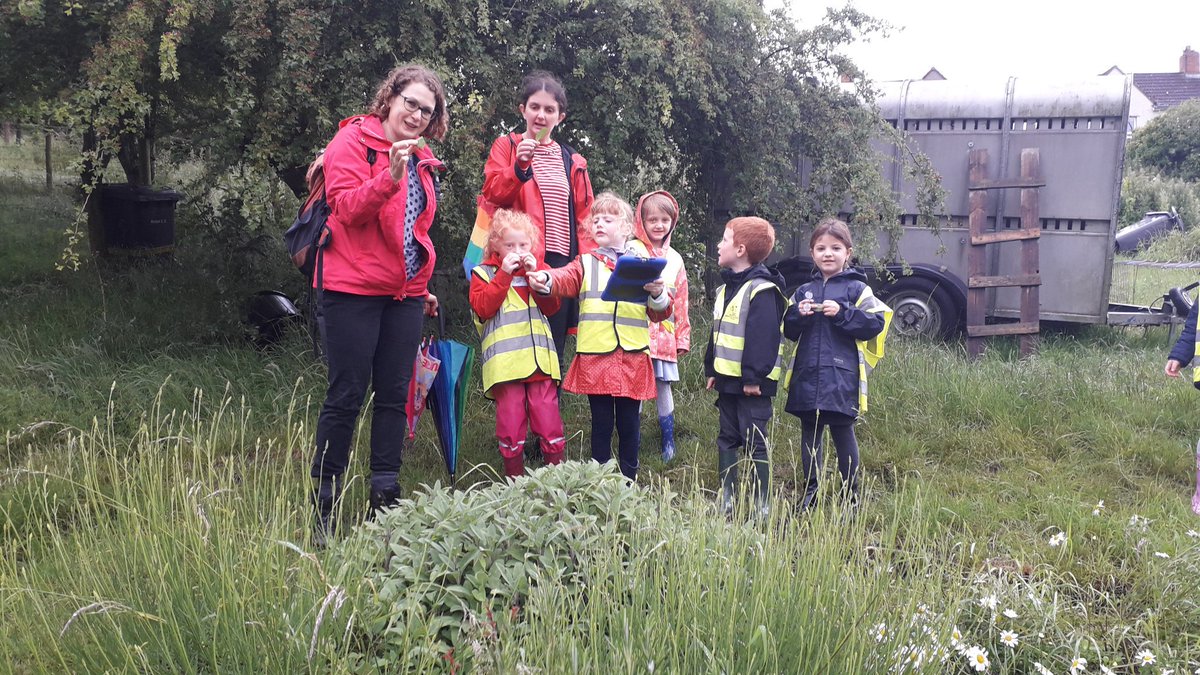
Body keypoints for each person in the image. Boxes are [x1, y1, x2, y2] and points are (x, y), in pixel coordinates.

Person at [310, 64, 449, 544]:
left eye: (426, 110)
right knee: (346, 394)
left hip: (405, 294)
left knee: (395, 397)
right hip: (351, 289)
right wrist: (389, 175)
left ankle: (383, 504)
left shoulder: (425, 157)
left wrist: (420, 281)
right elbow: (346, 208)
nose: (416, 114)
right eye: (410, 102)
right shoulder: (351, 143)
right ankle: (324, 506)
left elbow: (415, 229)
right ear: (390, 97)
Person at [529, 192, 671, 481]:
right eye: (595, 220)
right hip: (597, 356)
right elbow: (563, 278)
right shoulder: (584, 262)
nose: (600, 224)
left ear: (627, 226)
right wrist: (546, 279)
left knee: (630, 424)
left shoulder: (644, 261)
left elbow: (660, 312)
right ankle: (600, 482)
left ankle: (629, 480)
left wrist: (657, 293)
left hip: (632, 356)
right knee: (602, 423)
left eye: (608, 219)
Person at [480, 70, 595, 368]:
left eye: (549, 109)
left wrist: (586, 266)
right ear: (523, 110)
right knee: (516, 348)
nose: (541, 115)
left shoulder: (573, 160)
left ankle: (548, 414)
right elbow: (491, 194)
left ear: (561, 116)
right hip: (518, 260)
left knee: (551, 350)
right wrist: (519, 167)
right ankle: (514, 413)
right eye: (535, 107)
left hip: (560, 265)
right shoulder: (506, 146)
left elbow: (586, 219)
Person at [783, 218, 890, 513]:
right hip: (807, 373)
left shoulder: (857, 289)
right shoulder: (803, 291)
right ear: (812, 252)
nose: (828, 253)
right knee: (810, 433)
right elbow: (789, 331)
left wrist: (843, 312)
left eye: (835, 248)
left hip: (842, 376)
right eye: (821, 248)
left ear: (848, 252)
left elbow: (874, 324)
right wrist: (798, 315)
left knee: (843, 432)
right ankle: (810, 495)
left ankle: (850, 498)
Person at [469, 209, 566, 478]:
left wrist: (541, 283)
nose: (517, 250)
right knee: (511, 425)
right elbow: (483, 307)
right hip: (507, 367)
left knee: (548, 420)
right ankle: (514, 480)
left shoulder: (539, 271)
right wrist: (503, 275)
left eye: (523, 245)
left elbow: (552, 308)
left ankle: (556, 479)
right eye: (510, 245)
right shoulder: (483, 273)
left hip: (541, 365)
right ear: (495, 247)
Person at [704, 217, 788, 517]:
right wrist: (711, 370)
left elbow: (763, 338)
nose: (718, 245)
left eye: (724, 240)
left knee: (755, 440)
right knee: (727, 436)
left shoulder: (763, 290)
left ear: (740, 250)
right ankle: (727, 500)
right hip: (727, 382)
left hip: (752, 385)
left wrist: (754, 378)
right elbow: (717, 334)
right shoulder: (725, 289)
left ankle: (762, 505)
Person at [633, 191, 691, 462]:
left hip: (664, 336)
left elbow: (681, 301)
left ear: (673, 221)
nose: (658, 225)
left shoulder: (676, 259)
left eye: (664, 219)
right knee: (636, 387)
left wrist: (683, 338)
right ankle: (633, 437)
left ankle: (668, 441)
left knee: (663, 385)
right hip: (635, 333)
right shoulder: (632, 250)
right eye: (652, 219)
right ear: (641, 221)